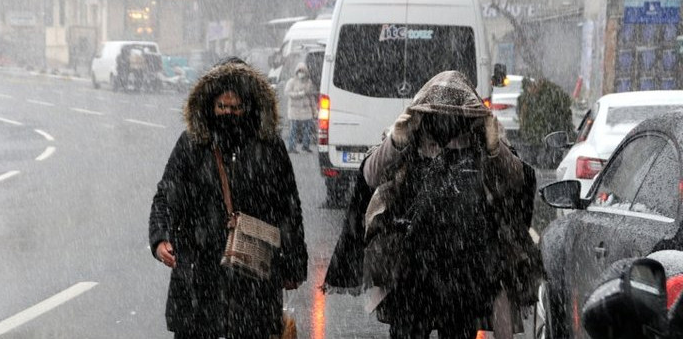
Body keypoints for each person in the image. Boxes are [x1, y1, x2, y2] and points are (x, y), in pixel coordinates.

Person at [323, 70, 541, 339]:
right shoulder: (411, 137)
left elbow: (517, 178)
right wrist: (395, 141)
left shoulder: (480, 139)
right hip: (413, 267)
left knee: (457, 332)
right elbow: (370, 174)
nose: (444, 122)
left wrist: (496, 147)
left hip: (464, 269)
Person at [148, 59, 308, 339]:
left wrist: (293, 263)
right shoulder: (193, 144)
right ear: (209, 105)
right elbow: (167, 193)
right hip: (200, 267)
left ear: (249, 106)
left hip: (252, 270)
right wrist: (160, 237)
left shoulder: (269, 146)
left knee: (249, 329)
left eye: (236, 108)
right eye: (222, 107)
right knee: (199, 328)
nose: (229, 113)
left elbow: (288, 206)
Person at [284, 62, 317, 153]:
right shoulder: (292, 82)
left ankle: (306, 145)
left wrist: (315, 110)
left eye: (303, 71)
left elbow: (311, 97)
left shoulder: (308, 82)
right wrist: (299, 94)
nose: (301, 73)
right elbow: (287, 93)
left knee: (308, 128)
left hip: (306, 110)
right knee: (293, 129)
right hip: (294, 110)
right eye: (300, 71)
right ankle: (292, 147)